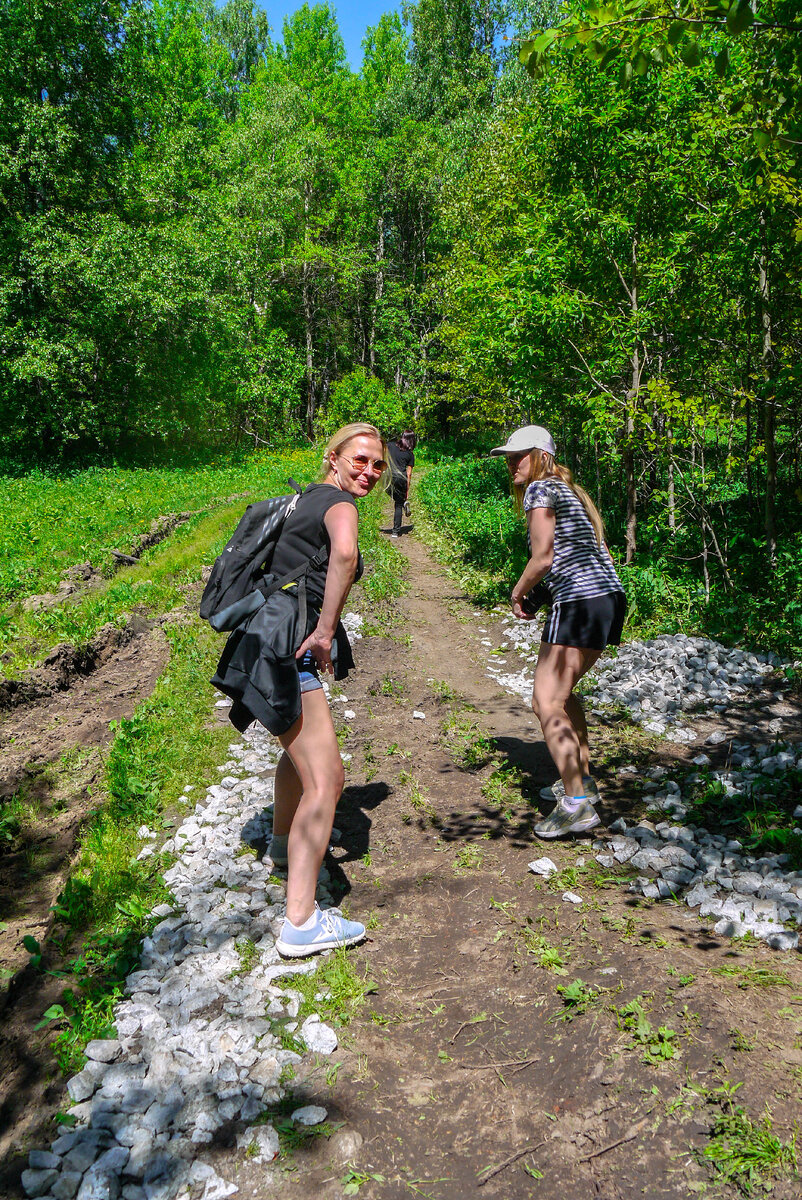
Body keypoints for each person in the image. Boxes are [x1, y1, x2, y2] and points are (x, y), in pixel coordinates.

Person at [213, 423, 387, 956]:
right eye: (360, 460)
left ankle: (285, 845)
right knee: (329, 781)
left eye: (378, 465)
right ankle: (302, 922)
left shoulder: (305, 500)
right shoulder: (339, 504)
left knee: (298, 752)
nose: (370, 472)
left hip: (264, 639)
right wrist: (327, 630)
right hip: (291, 643)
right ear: (333, 458)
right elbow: (345, 555)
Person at [490, 425, 626, 838]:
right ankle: (583, 782)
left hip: (580, 602)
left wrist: (518, 593)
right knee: (564, 696)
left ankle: (577, 805)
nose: (512, 464)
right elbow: (599, 553)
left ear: (542, 456)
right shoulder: (574, 494)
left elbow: (543, 557)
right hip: (608, 598)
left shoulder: (540, 490)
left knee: (545, 701)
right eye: (509, 457)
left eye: (520, 455)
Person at [387, 431, 417, 537]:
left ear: (402, 437)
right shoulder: (410, 454)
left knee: (390, 493)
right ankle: (395, 532)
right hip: (401, 478)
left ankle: (402, 502)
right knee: (398, 504)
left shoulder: (390, 445)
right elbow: (408, 474)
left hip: (388, 476)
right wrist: (407, 491)